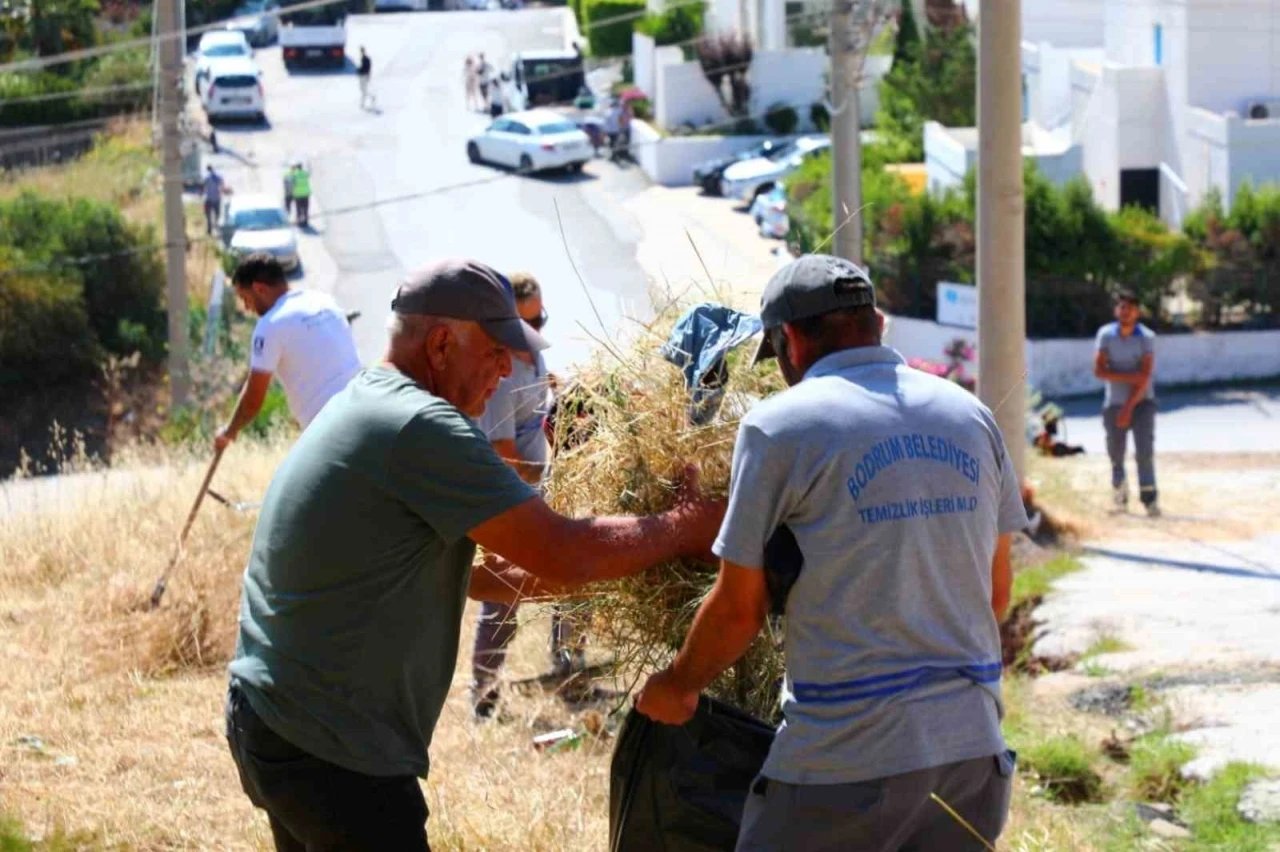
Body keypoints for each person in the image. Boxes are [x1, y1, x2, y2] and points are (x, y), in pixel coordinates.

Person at [225, 257, 724, 851]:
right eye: (495, 351)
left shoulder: (366, 399)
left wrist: (631, 562)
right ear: (440, 345)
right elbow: (561, 551)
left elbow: (488, 574)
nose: (508, 368)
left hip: (272, 718)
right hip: (332, 749)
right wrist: (684, 526)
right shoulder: (422, 425)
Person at [636, 254, 1028, 852]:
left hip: (843, 764)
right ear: (878, 324)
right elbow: (995, 595)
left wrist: (678, 684)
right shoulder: (970, 415)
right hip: (972, 761)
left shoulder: (778, 427)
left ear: (790, 341)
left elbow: (739, 610)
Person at [470, 272, 581, 719]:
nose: (536, 330)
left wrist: (562, 388)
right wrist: (556, 474)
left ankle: (569, 670)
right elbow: (504, 457)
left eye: (541, 320)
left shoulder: (533, 355)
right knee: (502, 597)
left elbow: (538, 398)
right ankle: (484, 699)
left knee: (575, 576)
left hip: (539, 491)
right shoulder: (499, 377)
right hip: (509, 501)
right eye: (527, 323)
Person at [215, 253, 361, 451]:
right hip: (364, 407)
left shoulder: (270, 325)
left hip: (331, 431)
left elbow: (253, 398)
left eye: (245, 298)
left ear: (259, 289)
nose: (247, 308)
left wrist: (229, 431)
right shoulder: (324, 300)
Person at [1094, 289, 1158, 516]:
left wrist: (1128, 407)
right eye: (1122, 307)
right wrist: (1131, 376)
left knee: (1144, 452)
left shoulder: (1146, 337)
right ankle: (1120, 497)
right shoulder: (1106, 335)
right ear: (1116, 310)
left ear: (1137, 312)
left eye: (1130, 308)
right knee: (1116, 453)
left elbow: (1145, 378)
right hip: (1113, 403)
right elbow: (1099, 370)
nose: (1125, 312)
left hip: (1142, 402)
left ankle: (1150, 500)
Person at [202, 165, 226, 235]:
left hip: (209, 198)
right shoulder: (218, 176)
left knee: (208, 215)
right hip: (217, 198)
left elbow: (203, 186)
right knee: (217, 215)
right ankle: (217, 228)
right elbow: (222, 184)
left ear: (207, 170)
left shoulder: (206, 177)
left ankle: (209, 229)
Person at [290, 162, 311, 228]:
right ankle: (306, 222)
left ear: (297, 168)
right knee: (305, 208)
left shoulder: (294, 174)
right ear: (302, 167)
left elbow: (292, 183)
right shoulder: (305, 173)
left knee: (298, 209)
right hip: (306, 193)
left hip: (298, 194)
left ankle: (299, 222)